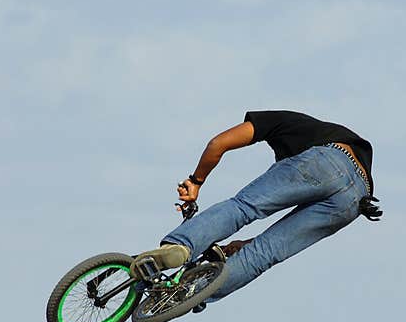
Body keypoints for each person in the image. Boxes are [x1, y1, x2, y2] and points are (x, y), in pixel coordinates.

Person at [129, 110, 382, 309]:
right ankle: (193, 293)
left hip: (330, 159)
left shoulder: (281, 122)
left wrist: (195, 182)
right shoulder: (306, 141)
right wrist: (244, 243)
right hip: (357, 198)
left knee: (243, 207)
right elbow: (275, 238)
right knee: (265, 253)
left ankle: (180, 246)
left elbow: (218, 144)